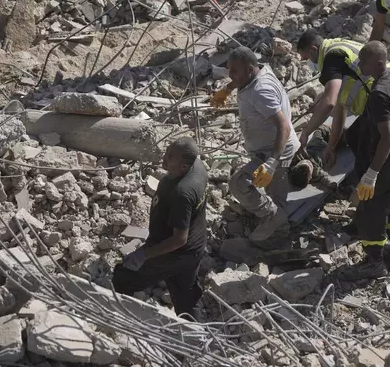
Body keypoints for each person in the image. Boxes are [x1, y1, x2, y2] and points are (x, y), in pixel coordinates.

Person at [337, 41, 390, 281]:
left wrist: (371, 174)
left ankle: (374, 263)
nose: (360, 65)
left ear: (379, 62)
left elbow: (387, 138)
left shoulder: (379, 94)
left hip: (389, 162)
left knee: (372, 211)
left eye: (364, 62)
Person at [112, 137, 207, 317]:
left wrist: (144, 254)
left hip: (175, 252)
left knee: (124, 277)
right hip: (195, 247)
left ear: (184, 167)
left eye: (170, 157)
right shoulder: (198, 166)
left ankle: (120, 318)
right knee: (185, 296)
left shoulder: (183, 192)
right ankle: (195, 334)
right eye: (167, 152)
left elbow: (179, 239)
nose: (164, 158)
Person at [212, 46, 299, 242]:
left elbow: (283, 126)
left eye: (234, 71)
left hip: (277, 150)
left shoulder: (261, 91)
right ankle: (272, 217)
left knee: (238, 184)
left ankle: (277, 229)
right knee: (268, 191)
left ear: (250, 69)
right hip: (266, 148)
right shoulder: (258, 71)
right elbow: (240, 79)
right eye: (229, 69)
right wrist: (226, 89)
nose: (230, 74)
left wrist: (272, 163)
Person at [296, 31, 379, 173]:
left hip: (383, 101)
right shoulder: (337, 46)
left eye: (307, 58)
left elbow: (329, 103)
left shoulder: (331, 59)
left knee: (364, 148)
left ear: (314, 50)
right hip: (388, 88)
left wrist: (305, 133)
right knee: (353, 135)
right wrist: (331, 147)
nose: (308, 63)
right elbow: (340, 106)